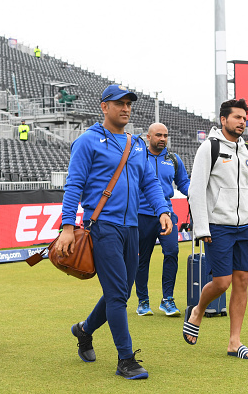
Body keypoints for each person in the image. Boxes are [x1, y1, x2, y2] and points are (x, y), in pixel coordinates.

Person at [56, 84, 173, 380]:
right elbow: (73, 186)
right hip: (103, 227)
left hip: (132, 227)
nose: (125, 108)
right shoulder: (87, 141)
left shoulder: (135, 144)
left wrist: (163, 210)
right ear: (103, 107)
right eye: (118, 103)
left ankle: (83, 330)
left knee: (119, 291)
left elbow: (149, 183)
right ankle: (126, 360)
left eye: (128, 103)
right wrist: (68, 227)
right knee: (118, 295)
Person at [185, 98, 248, 360]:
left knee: (242, 282)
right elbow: (195, 190)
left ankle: (235, 342)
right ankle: (198, 310)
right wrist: (201, 228)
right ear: (223, 120)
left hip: (244, 227)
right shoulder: (208, 148)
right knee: (222, 283)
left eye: (244, 118)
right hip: (217, 227)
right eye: (237, 117)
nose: (242, 122)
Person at [135, 123, 190, 317]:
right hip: (141, 215)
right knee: (142, 259)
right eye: (158, 135)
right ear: (148, 137)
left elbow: (183, 182)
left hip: (166, 214)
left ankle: (167, 300)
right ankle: (142, 301)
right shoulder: (138, 157)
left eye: (166, 135)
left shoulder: (174, 159)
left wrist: (196, 194)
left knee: (172, 252)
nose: (163, 139)